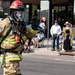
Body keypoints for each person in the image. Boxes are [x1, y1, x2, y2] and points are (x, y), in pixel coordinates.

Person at [0, 0, 37, 75]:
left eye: (22, 13)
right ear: (12, 13)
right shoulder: (5, 23)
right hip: (8, 56)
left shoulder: (21, 25)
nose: (20, 15)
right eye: (18, 13)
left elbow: (30, 34)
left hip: (16, 56)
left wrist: (35, 28)